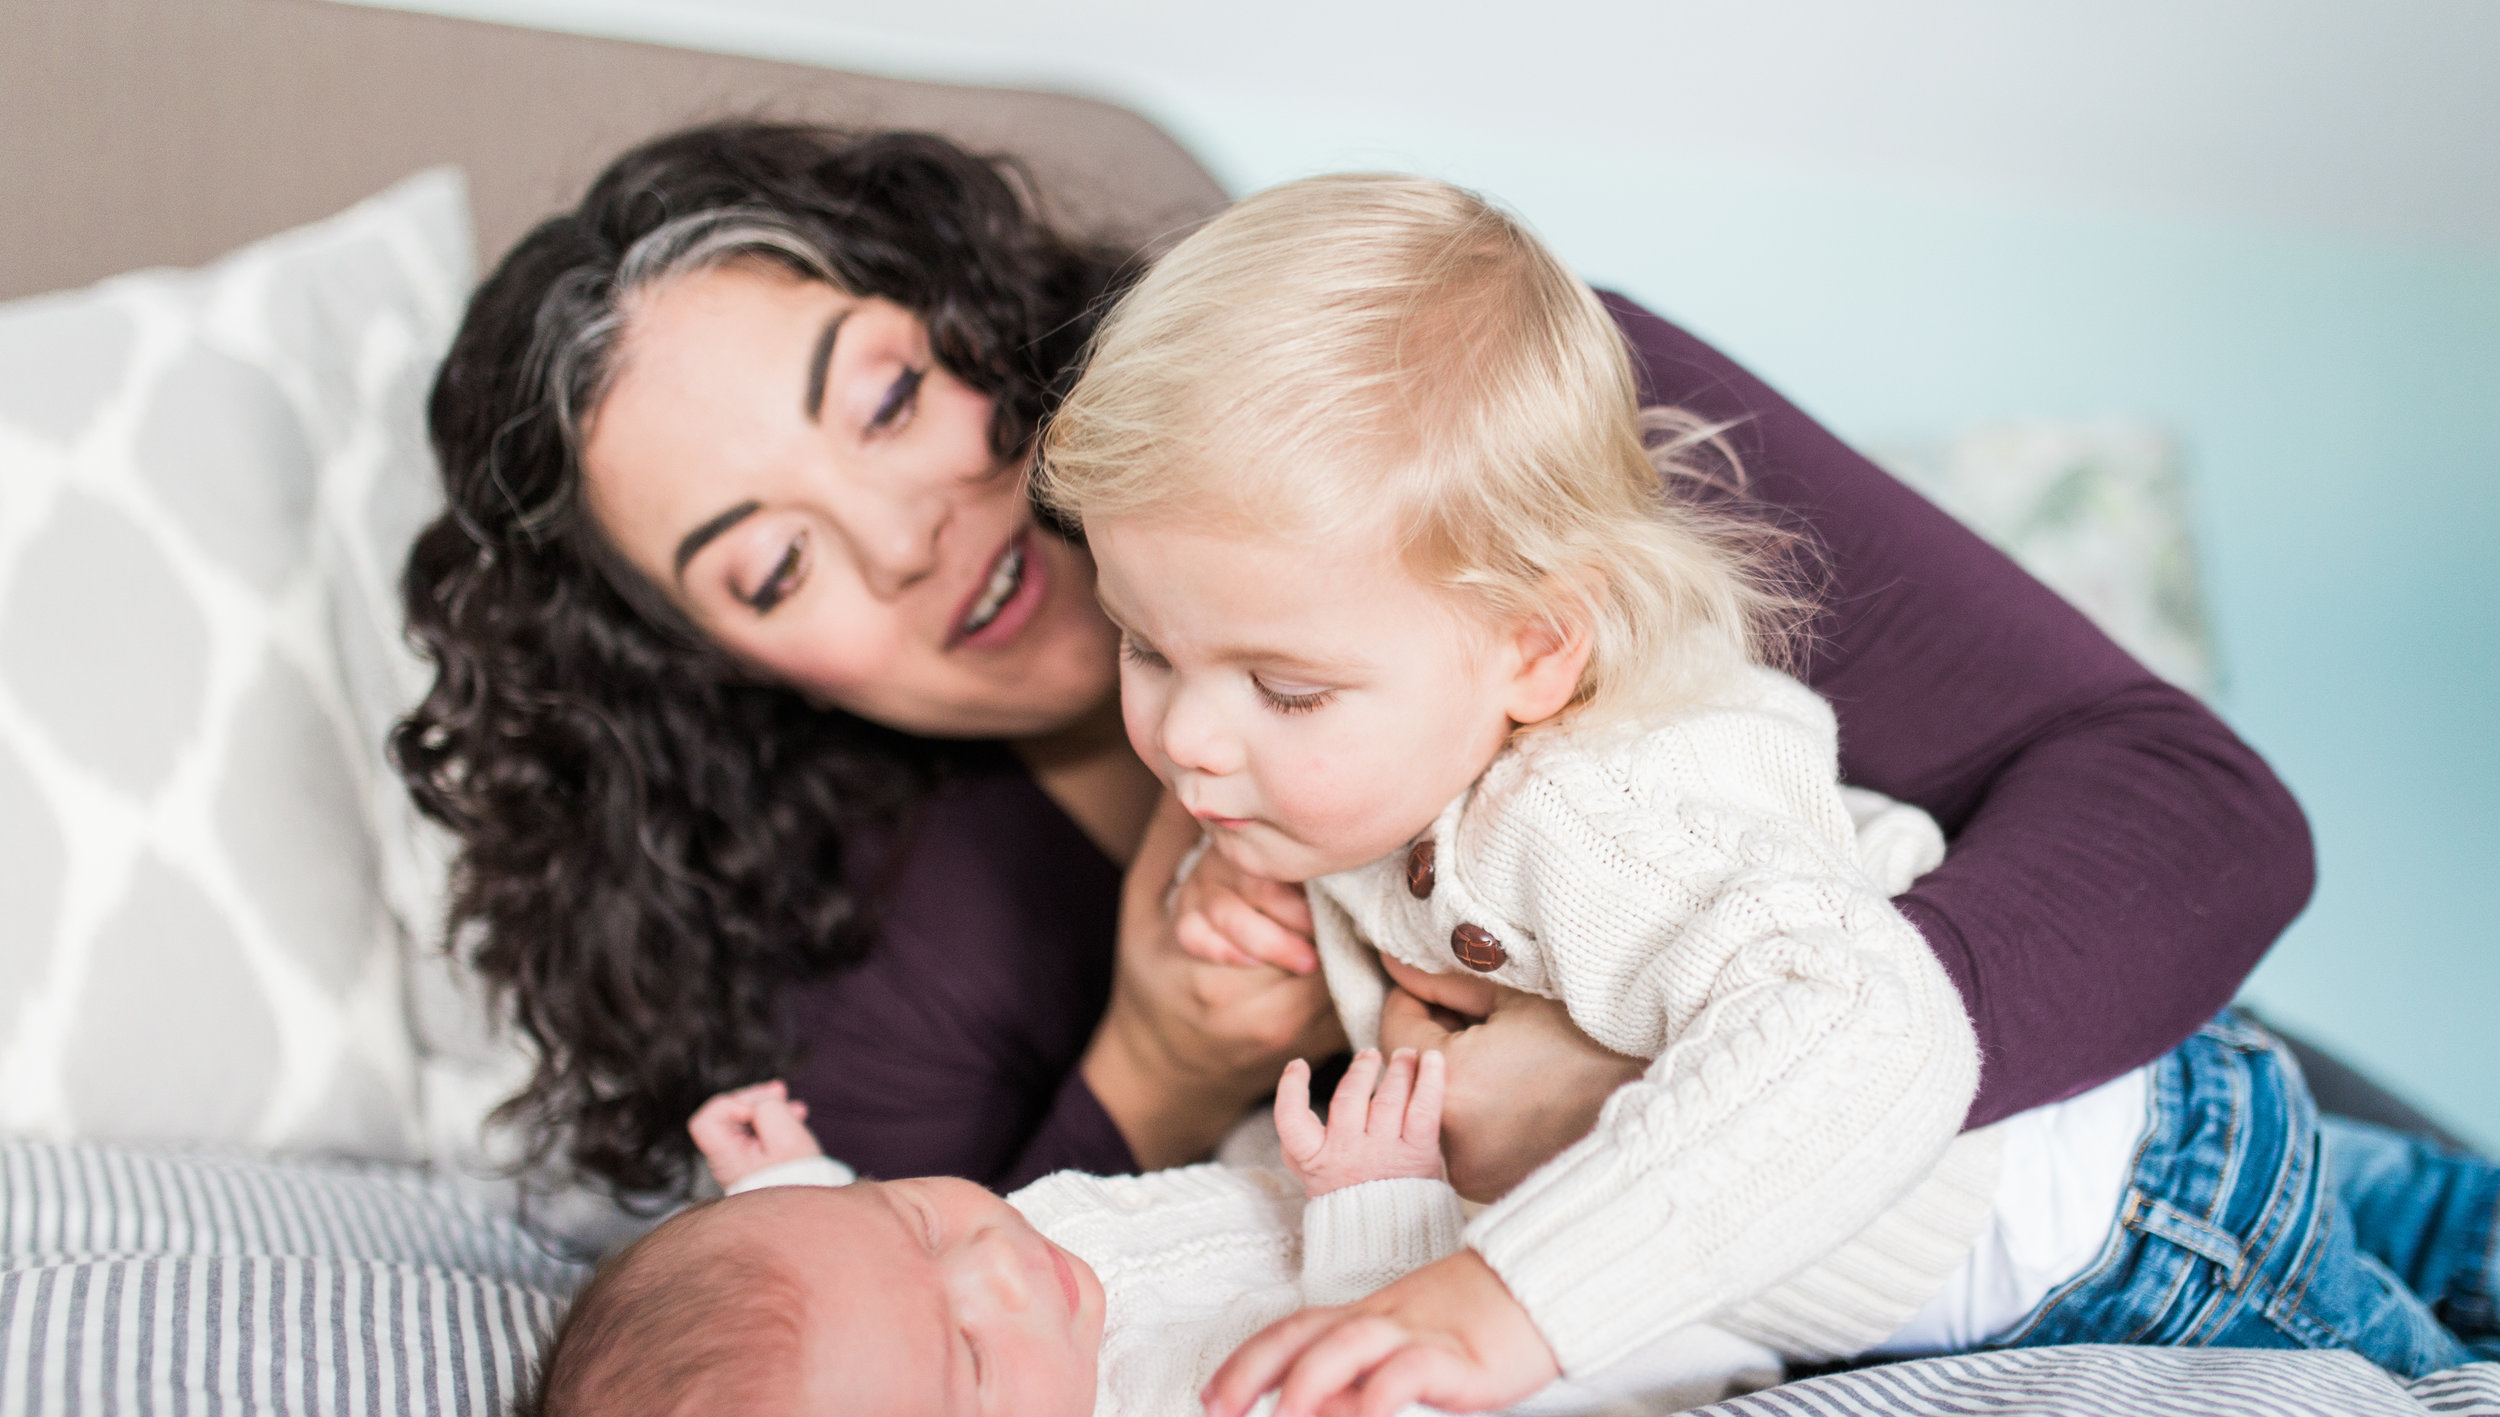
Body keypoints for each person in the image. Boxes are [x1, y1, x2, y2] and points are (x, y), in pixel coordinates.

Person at [396, 120, 2318, 1208]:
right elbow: (925, 1350)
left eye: (889, 396)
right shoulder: (872, 953)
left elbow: (2195, 808)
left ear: (974, 313)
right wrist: (1146, 1066)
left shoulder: (1451, 422)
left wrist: (1684, 1093)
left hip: (2186, 1150)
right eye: (773, 563)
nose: (911, 533)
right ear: (713, 671)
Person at [1029, 173, 2500, 1417]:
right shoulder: (1378, 793)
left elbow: (1874, 1026)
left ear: (1538, 648)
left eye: (1282, 690)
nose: (1186, 743)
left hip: (2137, 1225)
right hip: (2120, 1166)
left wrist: (1504, 1300)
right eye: (1147, 648)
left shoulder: (1600, 810)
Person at [519, 1050, 1777, 1417]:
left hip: (1326, 1177)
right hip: (1589, 1306)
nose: (996, 1265)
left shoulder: (982, 1320)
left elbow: (839, 1283)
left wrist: (787, 1181)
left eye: (914, 1216)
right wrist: (1385, 1212)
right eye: (967, 1352)